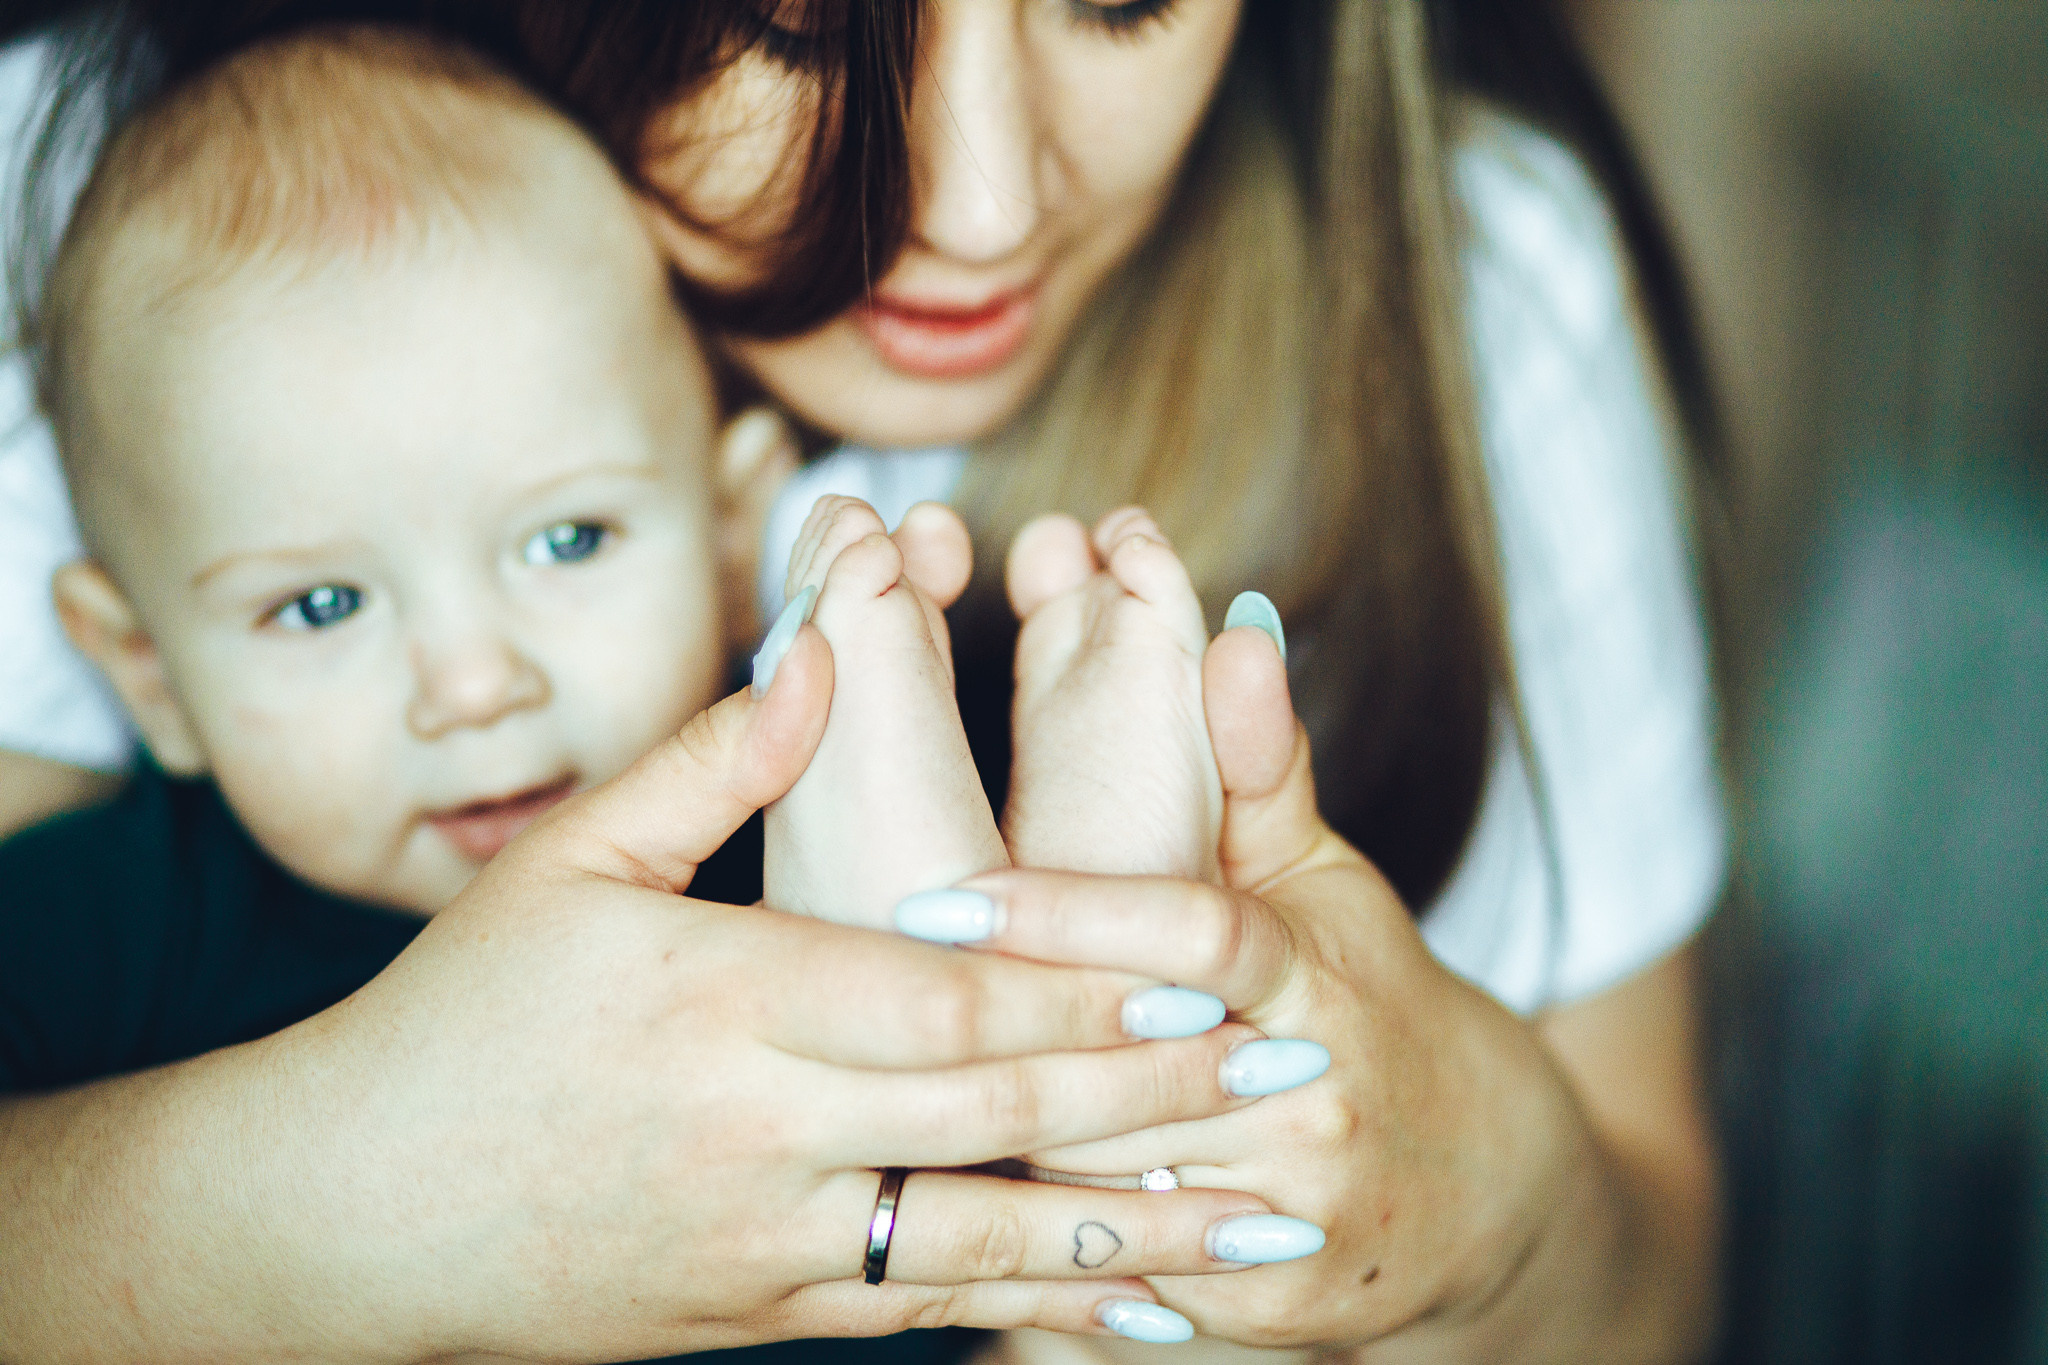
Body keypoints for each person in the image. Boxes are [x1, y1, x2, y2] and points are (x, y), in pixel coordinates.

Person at [2, 1, 1727, 1360]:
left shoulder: (1469, 287)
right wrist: (362, 1191)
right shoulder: (135, 251)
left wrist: (1485, 1186)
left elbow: (1656, 1302)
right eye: (794, 20)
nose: (980, 208)